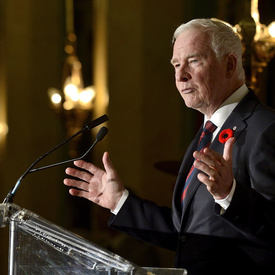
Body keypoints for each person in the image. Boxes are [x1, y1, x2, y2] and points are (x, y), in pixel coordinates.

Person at [64, 19, 275, 275]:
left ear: (229, 64)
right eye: (176, 64)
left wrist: (229, 194)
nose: (180, 75)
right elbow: (185, 234)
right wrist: (119, 202)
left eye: (193, 61)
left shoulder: (266, 127)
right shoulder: (208, 131)